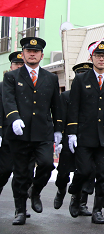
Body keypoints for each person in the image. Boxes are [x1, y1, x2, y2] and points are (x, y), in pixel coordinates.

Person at [3, 37, 63, 225]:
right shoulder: (12, 77)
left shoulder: (51, 78)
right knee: (21, 173)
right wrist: (14, 118)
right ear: (23, 54)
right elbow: (8, 100)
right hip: (19, 133)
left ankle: (35, 190)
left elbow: (56, 105)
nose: (32, 54)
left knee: (46, 164)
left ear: (41, 55)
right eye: (28, 51)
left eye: (35, 52)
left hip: (43, 132)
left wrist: (58, 129)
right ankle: (20, 210)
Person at [66, 41, 104, 224]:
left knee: (103, 175)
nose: (101, 59)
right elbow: (74, 108)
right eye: (98, 55)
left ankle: (97, 210)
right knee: (84, 171)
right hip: (85, 135)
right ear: (91, 58)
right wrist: (72, 132)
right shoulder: (81, 79)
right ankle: (76, 196)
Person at [54, 62, 95, 215]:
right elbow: (60, 117)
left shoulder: (94, 95)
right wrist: (59, 137)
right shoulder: (65, 96)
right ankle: (60, 189)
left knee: (85, 172)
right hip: (68, 138)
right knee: (64, 171)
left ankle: (79, 202)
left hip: (87, 140)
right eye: (80, 74)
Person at [0, 52, 27, 196]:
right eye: (16, 64)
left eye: (22, 64)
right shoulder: (2, 86)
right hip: (6, 135)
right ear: (11, 66)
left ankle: (20, 207)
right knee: (4, 170)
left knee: (23, 173)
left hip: (26, 136)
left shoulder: (31, 85)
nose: (19, 67)